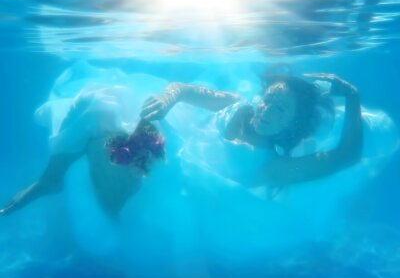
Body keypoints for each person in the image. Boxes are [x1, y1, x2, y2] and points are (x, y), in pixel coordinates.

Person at [140, 71, 363, 190]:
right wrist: (165, 100)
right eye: (267, 100)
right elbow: (183, 89)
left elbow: (347, 155)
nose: (266, 111)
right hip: (167, 163)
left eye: (280, 109)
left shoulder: (273, 167)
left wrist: (352, 97)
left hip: (183, 190)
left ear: (293, 123)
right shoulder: (237, 105)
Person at [0, 87, 166, 218]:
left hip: (117, 117)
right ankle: (51, 179)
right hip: (93, 112)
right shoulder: (95, 119)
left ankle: (52, 179)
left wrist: (169, 99)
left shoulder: (148, 134)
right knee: (95, 120)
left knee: (124, 178)